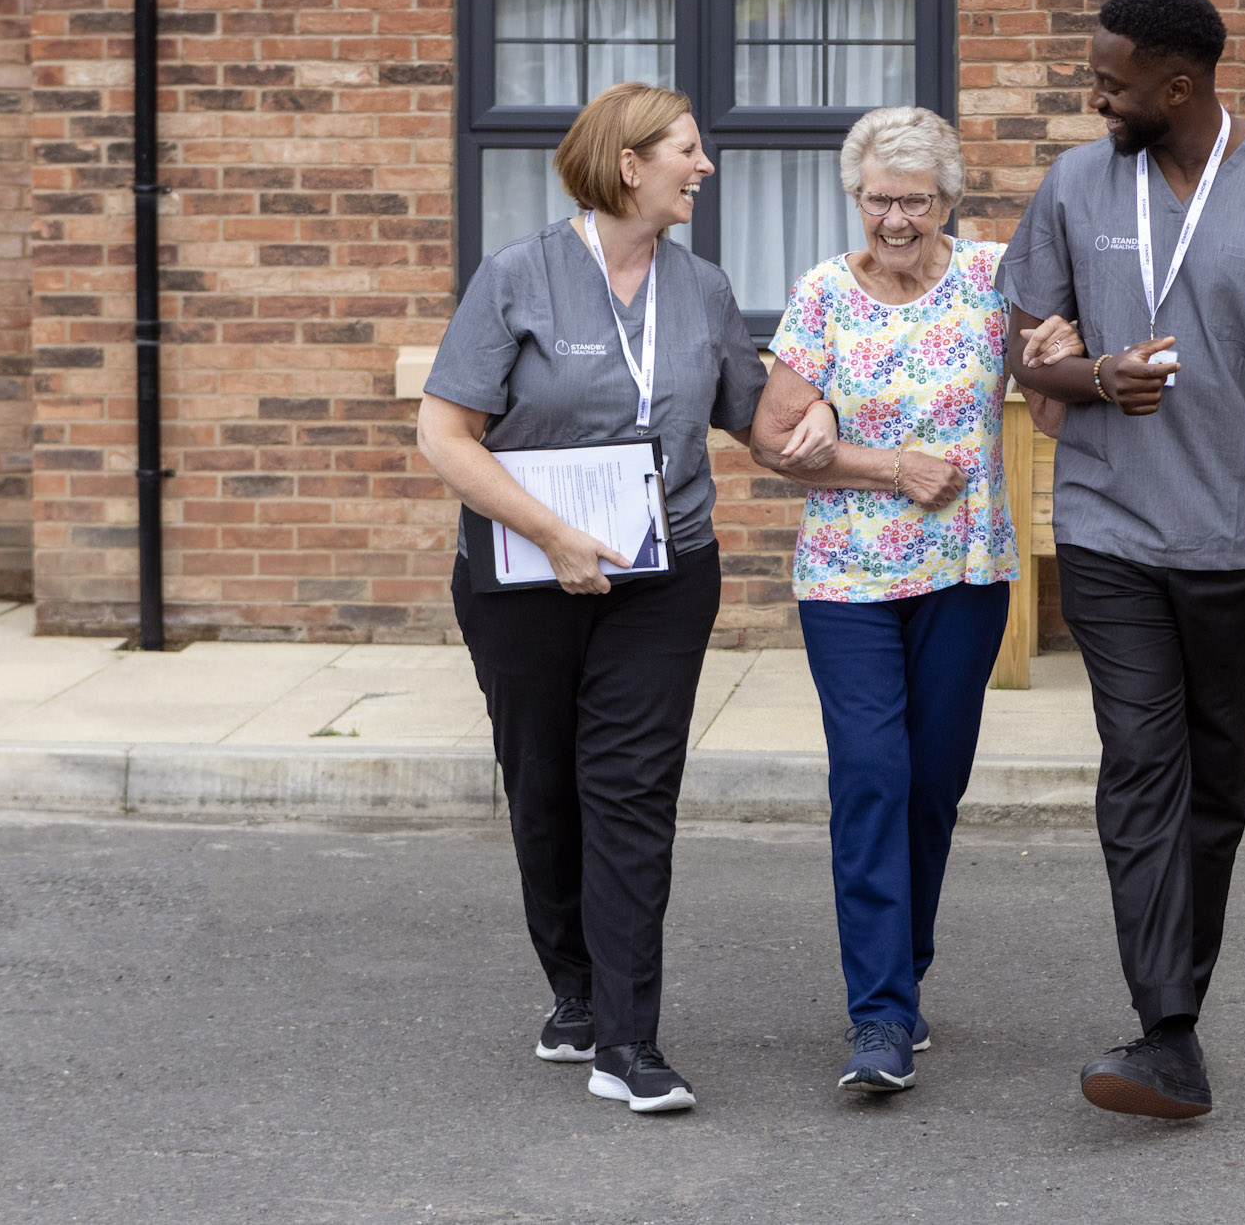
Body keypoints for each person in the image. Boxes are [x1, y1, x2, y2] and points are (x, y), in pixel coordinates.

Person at [999, 0, 1245, 1119]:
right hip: (1109, 524)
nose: (1093, 94)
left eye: (1110, 81)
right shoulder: (1076, 183)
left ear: (1178, 86)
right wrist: (1083, 375)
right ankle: (1163, 1031)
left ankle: (1175, 1019)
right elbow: (1024, 349)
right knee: (1139, 766)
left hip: (1236, 531)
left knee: (1213, 785)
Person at [417, 83, 793, 1115]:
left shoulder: (703, 290)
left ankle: (628, 1041)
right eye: (687, 149)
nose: (703, 168)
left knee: (630, 792)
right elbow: (445, 434)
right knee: (545, 787)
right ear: (630, 164)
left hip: (661, 576)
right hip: (527, 578)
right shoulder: (518, 279)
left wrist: (836, 408)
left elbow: (756, 417)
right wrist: (549, 532)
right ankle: (574, 991)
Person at [750, 105, 1082, 1094]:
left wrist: (1058, 353)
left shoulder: (990, 280)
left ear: (948, 200)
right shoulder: (822, 296)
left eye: (915, 200)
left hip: (967, 575)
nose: (895, 218)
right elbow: (774, 441)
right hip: (849, 581)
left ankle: (906, 970)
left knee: (930, 788)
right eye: (878, 199)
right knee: (869, 781)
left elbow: (1057, 411)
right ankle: (879, 1017)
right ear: (856, 198)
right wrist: (881, 463)